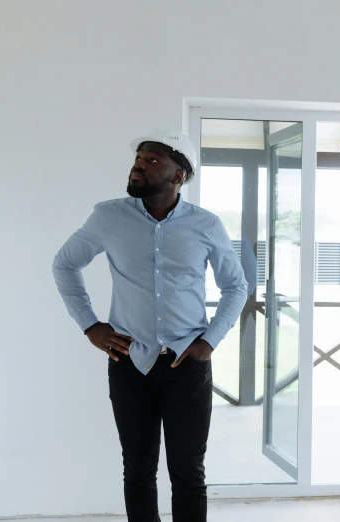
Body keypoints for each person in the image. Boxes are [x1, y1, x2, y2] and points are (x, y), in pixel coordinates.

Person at [52, 128, 248, 522]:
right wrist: (90, 326)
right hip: (129, 363)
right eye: (139, 158)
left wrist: (209, 342)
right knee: (138, 470)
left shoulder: (206, 225)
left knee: (188, 473)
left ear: (179, 175)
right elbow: (65, 263)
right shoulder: (108, 216)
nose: (139, 164)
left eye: (152, 159)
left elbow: (236, 286)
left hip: (187, 367)